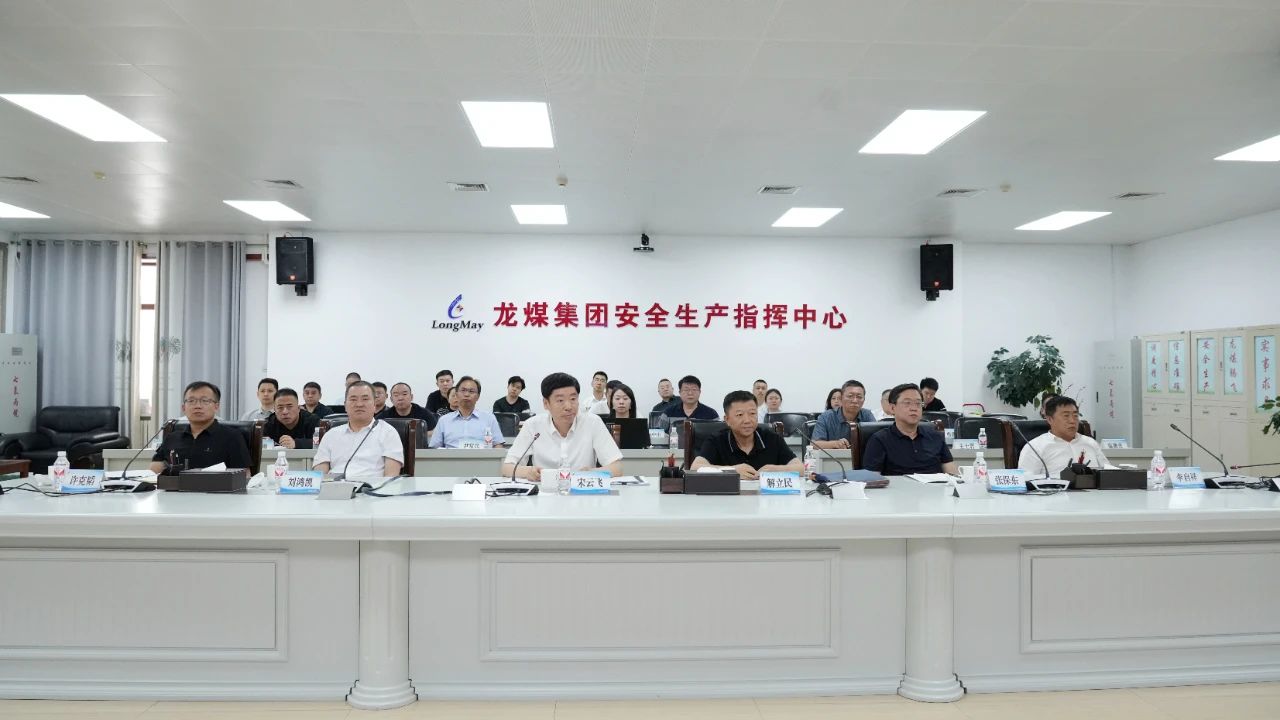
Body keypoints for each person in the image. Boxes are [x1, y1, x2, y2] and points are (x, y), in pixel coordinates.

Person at [502, 372, 623, 481]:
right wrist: (528, 472)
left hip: (582, 493)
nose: (569, 406)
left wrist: (591, 472)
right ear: (546, 403)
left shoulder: (592, 422)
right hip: (544, 493)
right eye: (560, 400)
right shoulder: (532, 425)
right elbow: (507, 468)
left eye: (573, 399)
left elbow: (617, 467)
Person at [690, 391, 803, 480]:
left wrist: (776, 470)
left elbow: (801, 469)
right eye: (740, 415)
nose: (747, 420)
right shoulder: (717, 440)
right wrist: (732, 471)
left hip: (766, 499)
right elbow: (695, 468)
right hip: (728, 500)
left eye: (752, 413)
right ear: (727, 419)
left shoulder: (772, 438)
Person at [150, 381, 251, 474]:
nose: (197, 406)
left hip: (216, 488)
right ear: (183, 408)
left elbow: (244, 474)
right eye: (191, 401)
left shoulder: (232, 437)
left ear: (216, 407)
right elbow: (155, 468)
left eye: (204, 401)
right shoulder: (172, 437)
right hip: (174, 487)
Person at [863, 383, 957, 476]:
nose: (914, 408)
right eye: (907, 403)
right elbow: (872, 480)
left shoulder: (935, 436)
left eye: (918, 403)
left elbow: (953, 474)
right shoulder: (879, 439)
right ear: (892, 408)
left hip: (935, 485)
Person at [314, 381, 403, 478]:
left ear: (374, 404)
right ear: (345, 405)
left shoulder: (388, 432)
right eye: (353, 399)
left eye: (365, 399)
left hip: (372, 486)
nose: (359, 404)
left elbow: (391, 477)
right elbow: (319, 476)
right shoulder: (331, 435)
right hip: (336, 486)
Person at [1018, 395, 1110, 477]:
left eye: (1075, 415)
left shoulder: (1091, 443)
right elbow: (1024, 479)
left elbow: (1109, 473)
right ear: (1050, 419)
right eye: (1066, 416)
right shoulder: (1035, 447)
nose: (1072, 421)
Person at [429, 376, 506, 448]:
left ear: (478, 397)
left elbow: (498, 445)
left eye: (471, 391)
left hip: (482, 457)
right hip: (451, 458)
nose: (466, 394)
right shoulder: (444, 420)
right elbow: (435, 448)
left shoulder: (489, 418)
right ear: (456, 394)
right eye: (463, 390)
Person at [812, 380, 877, 450]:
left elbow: (877, 440)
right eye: (850, 396)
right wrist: (835, 444)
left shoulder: (867, 415)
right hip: (834, 456)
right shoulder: (826, 416)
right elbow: (814, 444)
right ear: (842, 398)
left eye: (859, 397)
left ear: (864, 400)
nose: (855, 400)